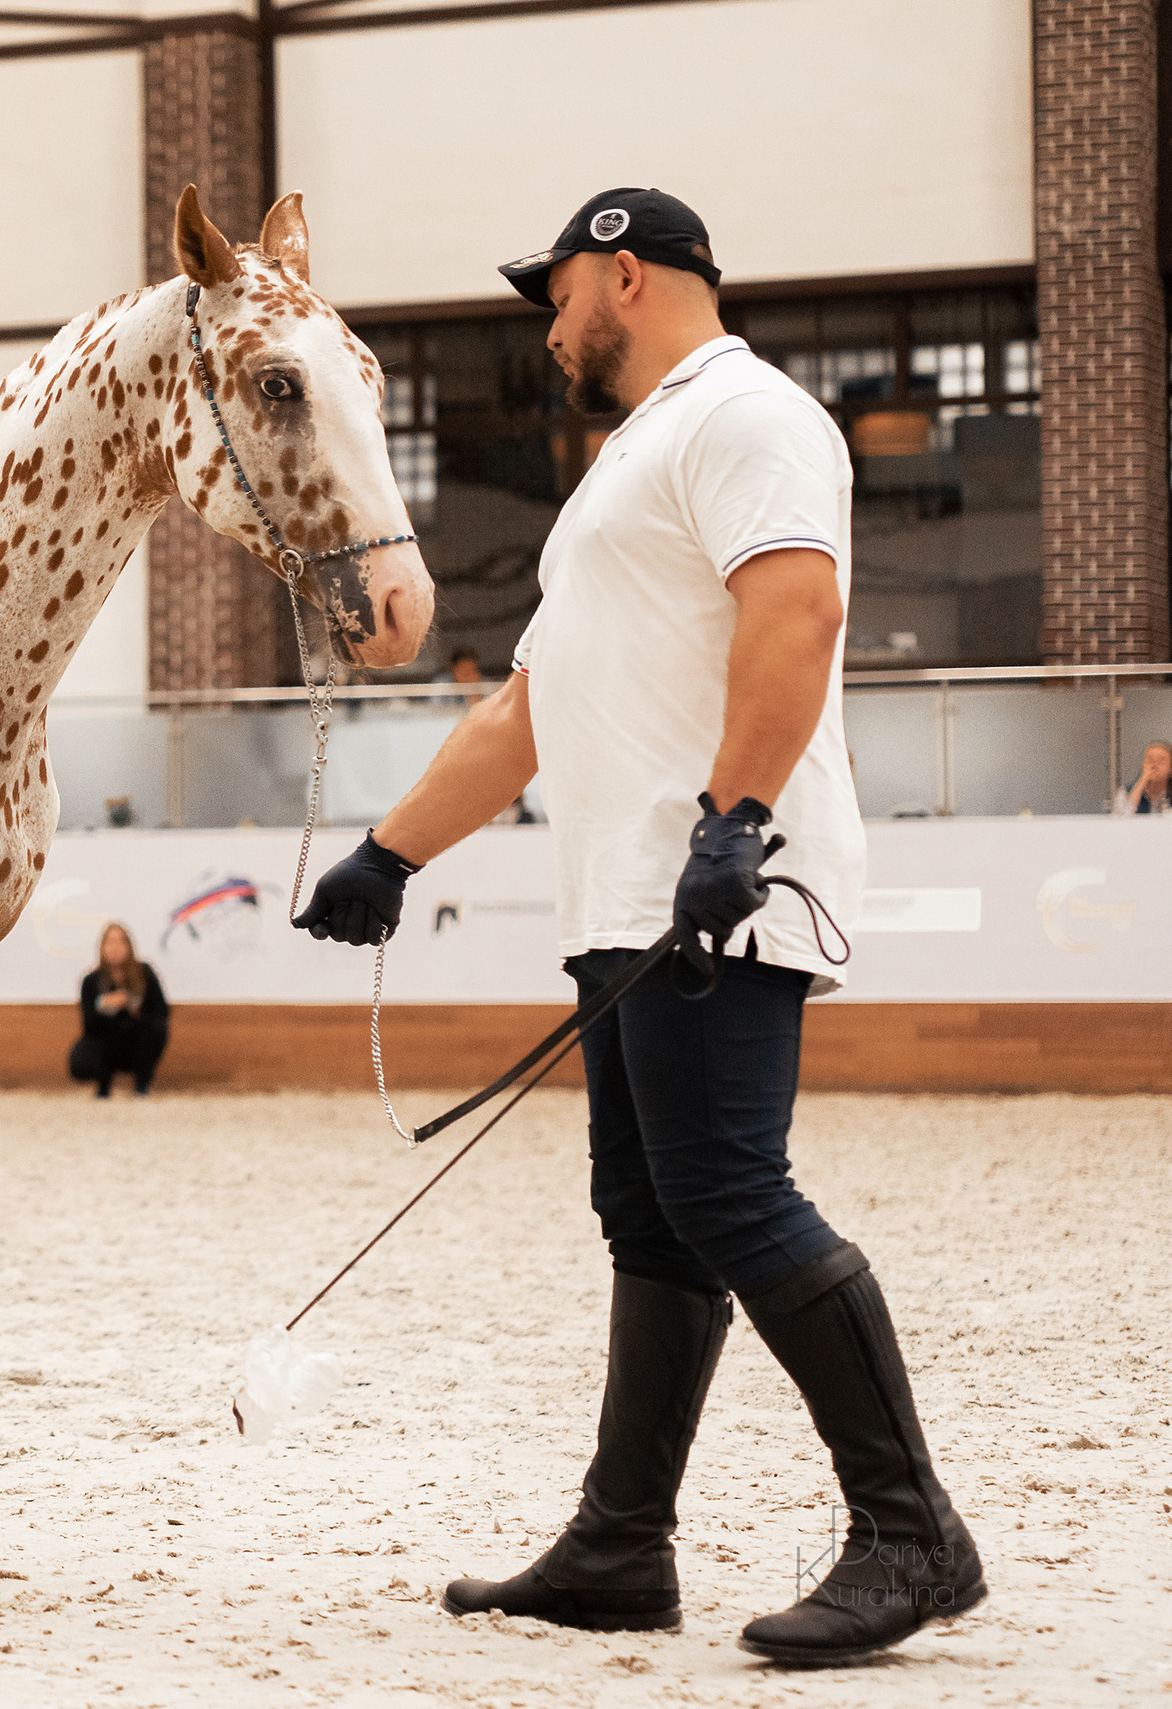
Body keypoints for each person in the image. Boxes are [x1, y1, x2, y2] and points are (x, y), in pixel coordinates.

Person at [294, 189, 978, 1666]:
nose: (548, 331)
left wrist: (735, 818)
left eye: (556, 299)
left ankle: (911, 1529)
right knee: (653, 1214)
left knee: (728, 1192)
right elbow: (526, 710)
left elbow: (796, 612)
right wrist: (388, 851)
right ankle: (620, 1543)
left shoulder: (747, 414)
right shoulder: (628, 467)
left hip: (722, 880)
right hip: (628, 898)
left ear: (621, 273)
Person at [68, 923, 168, 1097]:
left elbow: (161, 1011)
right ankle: (103, 1084)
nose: (114, 947)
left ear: (129, 946)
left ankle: (142, 1084)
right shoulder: (91, 981)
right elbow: (88, 1024)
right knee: (82, 1055)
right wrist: (102, 1005)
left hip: (136, 1039)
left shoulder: (144, 973)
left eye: (120, 942)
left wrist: (131, 1005)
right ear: (102, 947)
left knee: (157, 1029)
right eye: (109, 942)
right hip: (107, 1041)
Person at [1110, 739, 1170, 815]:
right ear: (1143, 764)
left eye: (1162, 761)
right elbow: (1121, 818)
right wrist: (1143, 780)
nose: (1154, 765)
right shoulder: (1125, 792)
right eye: (1150, 760)